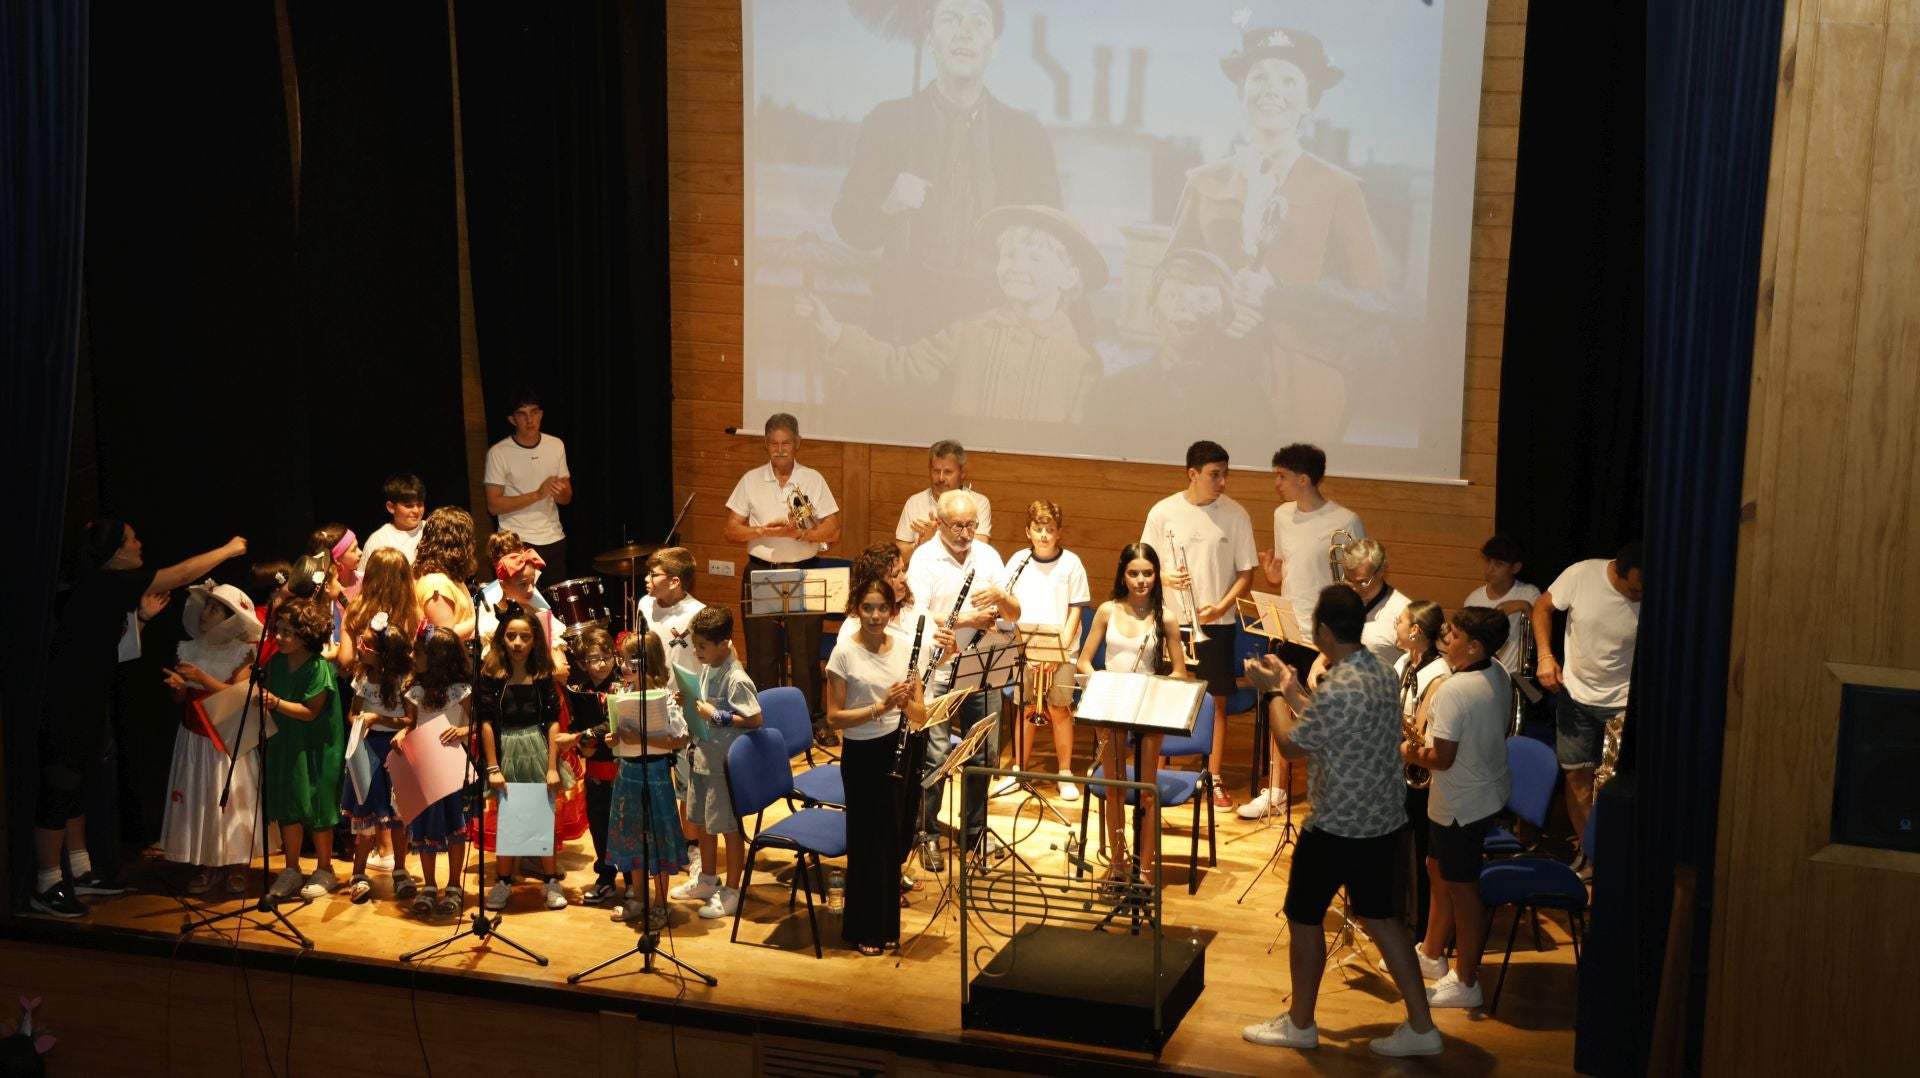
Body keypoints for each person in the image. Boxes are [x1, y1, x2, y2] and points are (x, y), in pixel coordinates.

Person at [1241, 585, 1442, 1057]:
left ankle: (1300, 1024)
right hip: (1382, 819)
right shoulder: (1380, 670)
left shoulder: (1339, 684)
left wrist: (1271, 693)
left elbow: (1291, 745)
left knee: (1303, 915)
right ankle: (1422, 1027)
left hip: (1338, 826)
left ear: (1324, 631)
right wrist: (1291, 686)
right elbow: (1328, 722)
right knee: (1384, 921)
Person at [1170, 22, 1389, 443]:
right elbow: (1169, 278)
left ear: (1310, 101)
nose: (1272, 90)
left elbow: (1372, 302)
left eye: (1289, 80)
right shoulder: (1202, 182)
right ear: (1241, 92)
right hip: (1210, 367)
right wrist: (1219, 303)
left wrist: (1279, 294)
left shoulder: (1339, 188)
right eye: (1259, 78)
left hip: (1303, 376)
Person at [32, 522, 246, 918]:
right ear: (116, 553)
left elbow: (110, 653)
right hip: (67, 705)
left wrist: (143, 620)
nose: (139, 543)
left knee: (75, 788)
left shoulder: (101, 589)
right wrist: (227, 550)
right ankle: (47, 884)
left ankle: (80, 872)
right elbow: (179, 574)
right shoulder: (104, 582)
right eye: (132, 539)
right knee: (59, 789)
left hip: (87, 702)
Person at [829, 0, 1062, 343]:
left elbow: (1055, 239)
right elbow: (848, 223)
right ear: (928, 38)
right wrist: (888, 205)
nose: (964, 34)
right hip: (905, 328)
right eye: (950, 20)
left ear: (994, 45)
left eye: (978, 23)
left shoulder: (1026, 136)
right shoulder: (888, 123)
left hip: (996, 329)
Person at [803, 204, 1108, 429]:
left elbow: (1074, 441)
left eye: (1036, 259)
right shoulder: (968, 331)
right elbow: (901, 366)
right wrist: (836, 333)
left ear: (1069, 277)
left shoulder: (1081, 363)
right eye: (1010, 255)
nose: (1017, 266)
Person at [1241, 442, 1367, 818]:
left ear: (1303, 479)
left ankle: (1329, 791)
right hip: (1286, 625)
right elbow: (1286, 568)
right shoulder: (1282, 515)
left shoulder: (1346, 520)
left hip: (1325, 632)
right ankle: (1276, 790)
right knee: (1278, 701)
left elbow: (1357, 580)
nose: (1276, 483)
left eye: (1281, 476)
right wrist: (1274, 576)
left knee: (1322, 712)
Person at [1407, 607, 1515, 1010]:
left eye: (1453, 636)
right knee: (1436, 868)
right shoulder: (1498, 671)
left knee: (1463, 889)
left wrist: (1405, 750)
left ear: (1474, 647)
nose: (1445, 640)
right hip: (1477, 793)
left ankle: (1467, 981)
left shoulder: (1454, 691)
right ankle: (1431, 953)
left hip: (1461, 803)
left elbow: (1441, 758)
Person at [906, 489, 1020, 867]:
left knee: (984, 753)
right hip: (937, 668)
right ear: (939, 523)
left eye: (972, 524)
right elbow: (916, 615)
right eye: (957, 526)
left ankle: (974, 830)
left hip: (980, 667)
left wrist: (1001, 596)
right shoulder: (923, 559)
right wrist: (967, 619)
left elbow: (1013, 614)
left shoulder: (987, 556)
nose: (966, 533)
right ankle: (927, 833)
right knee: (936, 754)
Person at [1141, 440, 1255, 809]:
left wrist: (1220, 606)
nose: (1222, 482)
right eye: (1214, 475)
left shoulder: (1236, 514)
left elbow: (1246, 574)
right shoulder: (1163, 512)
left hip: (1216, 623)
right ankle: (1154, 773)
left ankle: (1214, 776)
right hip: (1171, 621)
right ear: (1193, 474)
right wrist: (1164, 577)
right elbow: (1144, 565)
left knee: (1216, 700)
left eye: (1225, 474)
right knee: (1164, 697)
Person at [723, 413, 842, 745]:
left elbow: (833, 530)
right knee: (762, 654)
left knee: (805, 654)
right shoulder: (750, 480)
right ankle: (765, 718)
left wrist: (799, 534)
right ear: (766, 444)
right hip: (761, 570)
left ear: (797, 443)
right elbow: (731, 529)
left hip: (804, 570)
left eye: (785, 443)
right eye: (773, 443)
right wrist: (763, 529)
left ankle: (811, 721)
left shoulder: (812, 479)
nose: (779, 449)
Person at [825, 577, 928, 955]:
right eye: (867, 608)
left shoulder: (905, 651)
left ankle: (887, 927)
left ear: (892, 611)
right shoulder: (843, 654)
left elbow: (920, 713)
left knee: (891, 840)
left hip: (899, 749)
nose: (875, 615)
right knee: (866, 843)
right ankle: (863, 929)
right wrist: (880, 708)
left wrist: (904, 704)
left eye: (882, 608)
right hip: (862, 754)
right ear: (857, 609)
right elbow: (834, 719)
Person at [1075, 544, 1187, 884]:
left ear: (1156, 575)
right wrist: (1102, 683)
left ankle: (1146, 870)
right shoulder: (1107, 610)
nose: (1141, 580)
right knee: (1114, 789)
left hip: (1148, 707)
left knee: (1146, 791)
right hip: (1112, 705)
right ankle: (1118, 863)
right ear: (1123, 574)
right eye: (1134, 573)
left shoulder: (1166, 616)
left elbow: (1179, 672)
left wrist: (1154, 686)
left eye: (1148, 573)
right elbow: (1084, 661)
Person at [1083, 248, 1272, 444]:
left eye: (1203, 298)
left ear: (1226, 317)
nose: (1186, 307)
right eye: (1174, 296)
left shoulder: (1249, 402)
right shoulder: (1113, 394)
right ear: (1153, 314)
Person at [1532, 541, 1642, 869]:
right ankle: (1592, 856)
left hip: (1624, 701)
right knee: (1576, 776)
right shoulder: (1581, 574)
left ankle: (1616, 859)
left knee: (1617, 787)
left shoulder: (1655, 590)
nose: (1639, 596)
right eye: (1634, 590)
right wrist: (1545, 655)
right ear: (1617, 571)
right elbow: (1542, 607)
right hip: (1576, 695)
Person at [159, 582, 266, 896]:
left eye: (215, 608)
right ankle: (207, 863)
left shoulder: (242, 652)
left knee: (229, 800)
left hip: (225, 739)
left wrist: (202, 679)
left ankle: (236, 863)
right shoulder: (189, 648)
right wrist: (179, 688)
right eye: (205, 606)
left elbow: (243, 695)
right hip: (194, 738)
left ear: (231, 618)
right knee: (201, 798)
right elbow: (180, 699)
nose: (205, 613)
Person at [670, 606, 765, 920]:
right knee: (703, 824)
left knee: (728, 828)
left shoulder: (736, 678)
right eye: (695, 645)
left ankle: (733, 890)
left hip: (722, 766)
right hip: (702, 758)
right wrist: (689, 701)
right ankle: (708, 880)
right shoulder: (710, 666)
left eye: (702, 646)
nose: (696, 652)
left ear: (724, 644)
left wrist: (717, 715)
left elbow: (755, 719)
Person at [478, 606, 570, 913]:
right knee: (508, 818)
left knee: (543, 815)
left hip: (537, 748)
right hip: (505, 750)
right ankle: (503, 881)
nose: (517, 643)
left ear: (534, 641)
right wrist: (493, 766)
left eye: (525, 637)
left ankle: (550, 881)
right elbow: (486, 722)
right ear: (501, 638)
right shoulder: (491, 674)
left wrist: (552, 766)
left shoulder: (542, 674)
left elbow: (553, 721)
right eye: (511, 636)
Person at [260, 598, 347, 902]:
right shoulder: (275, 664)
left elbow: (310, 712)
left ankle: (324, 868)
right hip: (285, 742)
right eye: (278, 630)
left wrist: (275, 703)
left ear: (306, 634)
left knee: (318, 806)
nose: (279, 637)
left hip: (316, 745)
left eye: (288, 632)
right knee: (289, 803)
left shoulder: (318, 667)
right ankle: (292, 868)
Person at [604, 630, 692, 929]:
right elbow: (622, 737)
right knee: (632, 836)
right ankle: (639, 898)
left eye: (632, 660)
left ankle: (660, 903)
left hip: (654, 774)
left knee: (657, 838)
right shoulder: (623, 694)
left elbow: (680, 739)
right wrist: (614, 739)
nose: (624, 666)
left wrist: (640, 738)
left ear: (648, 661)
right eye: (623, 660)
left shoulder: (664, 698)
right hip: (627, 773)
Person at [1002, 499, 1088, 800]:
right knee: (1026, 707)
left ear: (1059, 532)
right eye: (1038, 529)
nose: (1044, 535)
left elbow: (1075, 610)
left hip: (1062, 650)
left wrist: (1056, 652)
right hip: (1025, 650)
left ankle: (1064, 774)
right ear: (1028, 531)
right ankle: (1018, 771)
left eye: (1050, 529)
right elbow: (1008, 607)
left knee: (1059, 708)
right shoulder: (1018, 561)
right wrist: (1026, 650)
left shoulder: (1072, 563)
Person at [637, 545, 708, 880]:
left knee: (687, 781)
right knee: (654, 776)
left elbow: (708, 660)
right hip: (652, 702)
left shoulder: (697, 614)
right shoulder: (644, 605)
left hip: (684, 706)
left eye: (654, 574)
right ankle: (663, 841)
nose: (647, 579)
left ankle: (691, 847)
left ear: (675, 581)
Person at [397, 625, 474, 918]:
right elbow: (412, 723)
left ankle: (454, 885)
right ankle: (429, 886)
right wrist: (402, 733)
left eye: (418, 652)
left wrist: (462, 731)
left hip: (451, 769)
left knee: (455, 827)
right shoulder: (414, 691)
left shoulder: (460, 691)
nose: (412, 656)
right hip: (424, 769)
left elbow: (478, 724)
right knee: (424, 827)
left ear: (438, 657)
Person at [339, 613, 413, 905]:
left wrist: (378, 718)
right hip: (367, 749)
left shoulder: (401, 681)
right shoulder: (362, 678)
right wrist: (360, 721)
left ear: (383, 654)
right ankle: (358, 873)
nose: (360, 646)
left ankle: (400, 870)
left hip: (394, 750)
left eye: (366, 644)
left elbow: (410, 719)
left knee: (397, 816)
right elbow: (352, 713)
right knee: (366, 813)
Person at [1390, 599, 1449, 935]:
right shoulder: (1403, 662)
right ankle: (1398, 912)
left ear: (1414, 630)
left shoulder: (1438, 675)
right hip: (1400, 762)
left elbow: (1426, 732)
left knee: (1417, 850)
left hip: (1420, 770)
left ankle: (1420, 922)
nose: (1394, 626)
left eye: (1399, 621)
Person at [483, 390, 573, 578]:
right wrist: (537, 494)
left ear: (541, 414)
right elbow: (493, 505)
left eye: (534, 412)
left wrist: (560, 492)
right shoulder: (498, 453)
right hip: (515, 542)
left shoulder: (556, 445)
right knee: (521, 597)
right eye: (522, 414)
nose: (530, 420)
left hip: (553, 538)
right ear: (512, 419)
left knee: (555, 596)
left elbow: (566, 498)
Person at [477, 530, 567, 676]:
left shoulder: (536, 607)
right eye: (523, 584)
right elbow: (496, 665)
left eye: (532, 582)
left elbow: (557, 652)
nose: (531, 589)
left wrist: (557, 664)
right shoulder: (491, 611)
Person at [894, 440, 994, 559]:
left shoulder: (978, 503)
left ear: (962, 473)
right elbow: (900, 555)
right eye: (936, 471)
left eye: (948, 472)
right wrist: (919, 545)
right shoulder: (914, 503)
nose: (941, 478)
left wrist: (935, 538)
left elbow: (980, 551)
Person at [1463, 534, 1542, 681]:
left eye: (1498, 564)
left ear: (1515, 568)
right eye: (1488, 561)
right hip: (1482, 675)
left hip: (1515, 677)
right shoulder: (1473, 599)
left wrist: (1525, 607)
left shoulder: (1529, 594)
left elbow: (1541, 635)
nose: (1490, 569)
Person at [1339, 537, 1410, 668]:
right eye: (1348, 580)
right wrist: (1320, 662)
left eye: (1362, 582)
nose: (1354, 589)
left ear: (1381, 571)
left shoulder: (1403, 612)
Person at [413, 507, 479, 640]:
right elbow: (444, 637)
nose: (472, 544)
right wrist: (481, 618)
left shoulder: (450, 575)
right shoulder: (436, 584)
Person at [363, 473, 428, 565]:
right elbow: (366, 574)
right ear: (391, 507)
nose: (416, 510)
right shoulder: (378, 541)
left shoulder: (433, 529)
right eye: (408, 506)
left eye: (420, 504)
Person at [310, 523, 364, 603]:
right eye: (354, 550)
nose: (360, 552)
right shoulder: (329, 593)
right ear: (337, 560)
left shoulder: (364, 581)